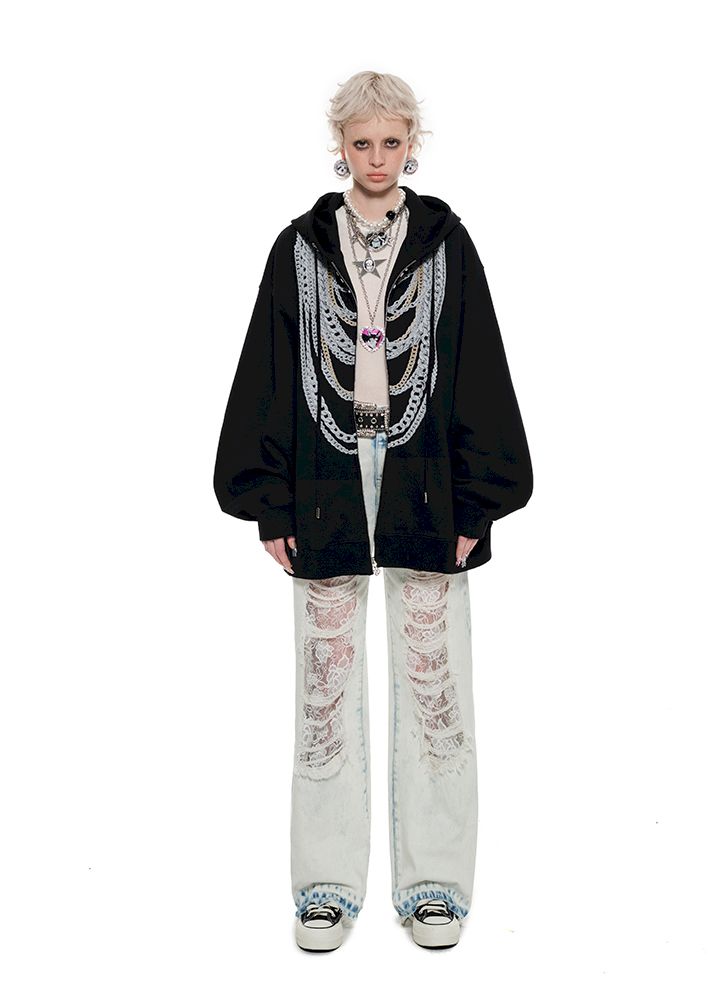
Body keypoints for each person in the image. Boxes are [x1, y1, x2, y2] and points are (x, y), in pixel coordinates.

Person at [213, 71, 533, 951]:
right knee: (324, 689)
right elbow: (269, 365)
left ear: (412, 144)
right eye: (363, 144)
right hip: (324, 479)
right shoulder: (298, 248)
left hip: (426, 478)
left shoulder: (446, 244)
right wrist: (267, 499)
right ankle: (324, 886)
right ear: (341, 147)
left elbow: (476, 363)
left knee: (435, 686)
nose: (378, 158)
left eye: (392, 142)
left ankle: (435, 886)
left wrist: (479, 500)